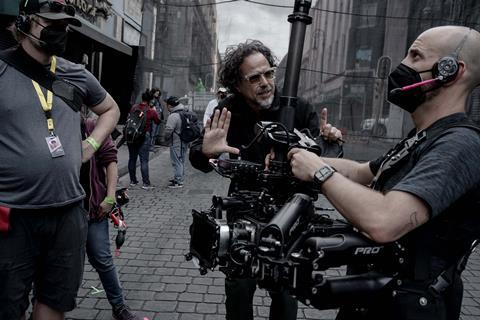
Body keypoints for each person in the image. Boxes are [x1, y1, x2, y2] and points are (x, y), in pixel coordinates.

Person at [288, 25, 480, 320]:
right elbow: (360, 172)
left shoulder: (460, 144)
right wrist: (299, 157)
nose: (403, 65)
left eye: (415, 56)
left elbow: (385, 221)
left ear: (452, 70)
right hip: (377, 295)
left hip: (412, 307)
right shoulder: (422, 137)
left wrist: (319, 173)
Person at [189, 39, 342, 320]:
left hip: (290, 213)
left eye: (269, 73)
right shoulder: (227, 109)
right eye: (254, 77)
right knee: (238, 286)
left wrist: (330, 142)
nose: (265, 82)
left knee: (286, 292)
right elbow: (199, 156)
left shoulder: (297, 107)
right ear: (237, 84)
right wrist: (204, 151)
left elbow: (322, 158)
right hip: (243, 211)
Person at [0, 0, 120, 319]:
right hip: (12, 216)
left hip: (68, 213)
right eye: (50, 23)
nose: (59, 32)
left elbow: (111, 109)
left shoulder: (75, 74)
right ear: (25, 22)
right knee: (7, 306)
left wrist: (91, 144)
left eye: (64, 26)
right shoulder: (2, 69)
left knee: (54, 301)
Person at [81, 117, 141, 320]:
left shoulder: (91, 126)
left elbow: (111, 162)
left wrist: (109, 197)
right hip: (63, 214)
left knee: (103, 259)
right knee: (59, 264)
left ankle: (119, 306)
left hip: (93, 211)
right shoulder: (52, 128)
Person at [127, 89, 160, 190]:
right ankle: (146, 183)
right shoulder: (151, 111)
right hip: (144, 136)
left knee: (132, 158)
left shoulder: (134, 107)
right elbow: (158, 121)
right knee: (144, 160)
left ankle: (133, 181)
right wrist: (154, 110)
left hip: (132, 135)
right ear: (150, 100)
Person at [164, 96, 189, 188]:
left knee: (177, 161)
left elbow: (168, 130)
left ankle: (178, 181)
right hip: (184, 140)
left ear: (170, 106)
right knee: (181, 160)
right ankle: (179, 178)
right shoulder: (184, 112)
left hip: (176, 142)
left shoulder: (174, 115)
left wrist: (166, 138)